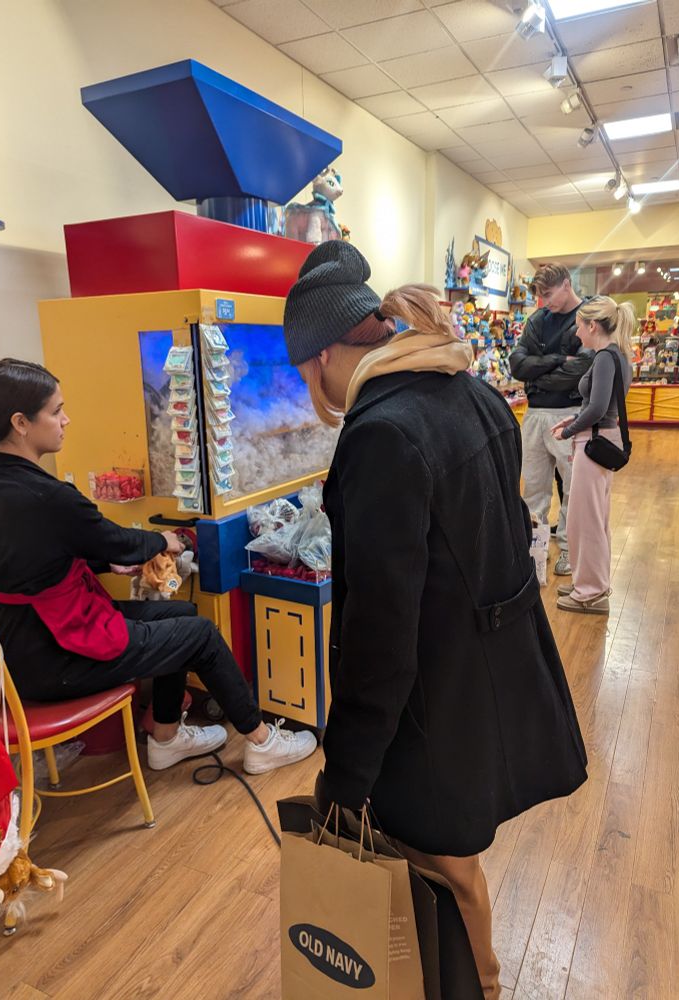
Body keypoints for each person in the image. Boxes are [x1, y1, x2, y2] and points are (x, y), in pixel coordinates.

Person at [283, 242, 588, 999]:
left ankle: (478, 986)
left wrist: (346, 772)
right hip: (485, 680)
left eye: (304, 377)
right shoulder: (468, 389)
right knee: (453, 864)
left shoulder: (380, 432)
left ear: (323, 354)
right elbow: (513, 529)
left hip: (430, 705)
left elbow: (379, 629)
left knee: (441, 872)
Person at [0, 359, 317, 775]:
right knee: (201, 635)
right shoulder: (48, 496)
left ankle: (166, 737)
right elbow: (115, 538)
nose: (66, 420)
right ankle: (262, 742)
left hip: (15, 645)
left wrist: (107, 563)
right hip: (56, 657)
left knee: (181, 614)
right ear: (21, 422)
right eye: (56, 410)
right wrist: (164, 541)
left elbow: (28, 557)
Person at [552, 297, 634, 615]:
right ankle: (589, 581)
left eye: (578, 325)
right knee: (594, 518)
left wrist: (570, 431)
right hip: (604, 437)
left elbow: (598, 408)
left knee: (585, 520)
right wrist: (571, 421)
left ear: (592, 325)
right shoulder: (619, 356)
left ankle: (591, 590)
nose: (576, 332)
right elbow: (602, 407)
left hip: (594, 440)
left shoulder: (603, 358)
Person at [509, 264, 593, 576]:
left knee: (573, 487)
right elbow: (517, 364)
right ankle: (535, 551)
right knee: (532, 487)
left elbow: (584, 367)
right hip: (534, 415)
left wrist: (537, 377)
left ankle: (569, 551)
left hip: (569, 413)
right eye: (540, 296)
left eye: (549, 293)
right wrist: (557, 360)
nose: (545, 301)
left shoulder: (588, 317)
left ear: (566, 284)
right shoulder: (537, 320)